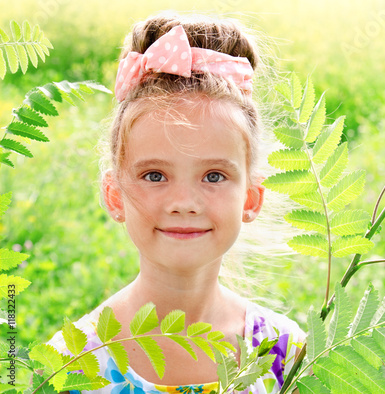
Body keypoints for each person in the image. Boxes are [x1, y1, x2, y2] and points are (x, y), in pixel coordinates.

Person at [47, 11, 304, 394]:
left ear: (251, 197)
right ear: (115, 195)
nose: (184, 202)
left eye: (214, 176)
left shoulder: (283, 354)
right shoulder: (73, 363)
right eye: (155, 176)